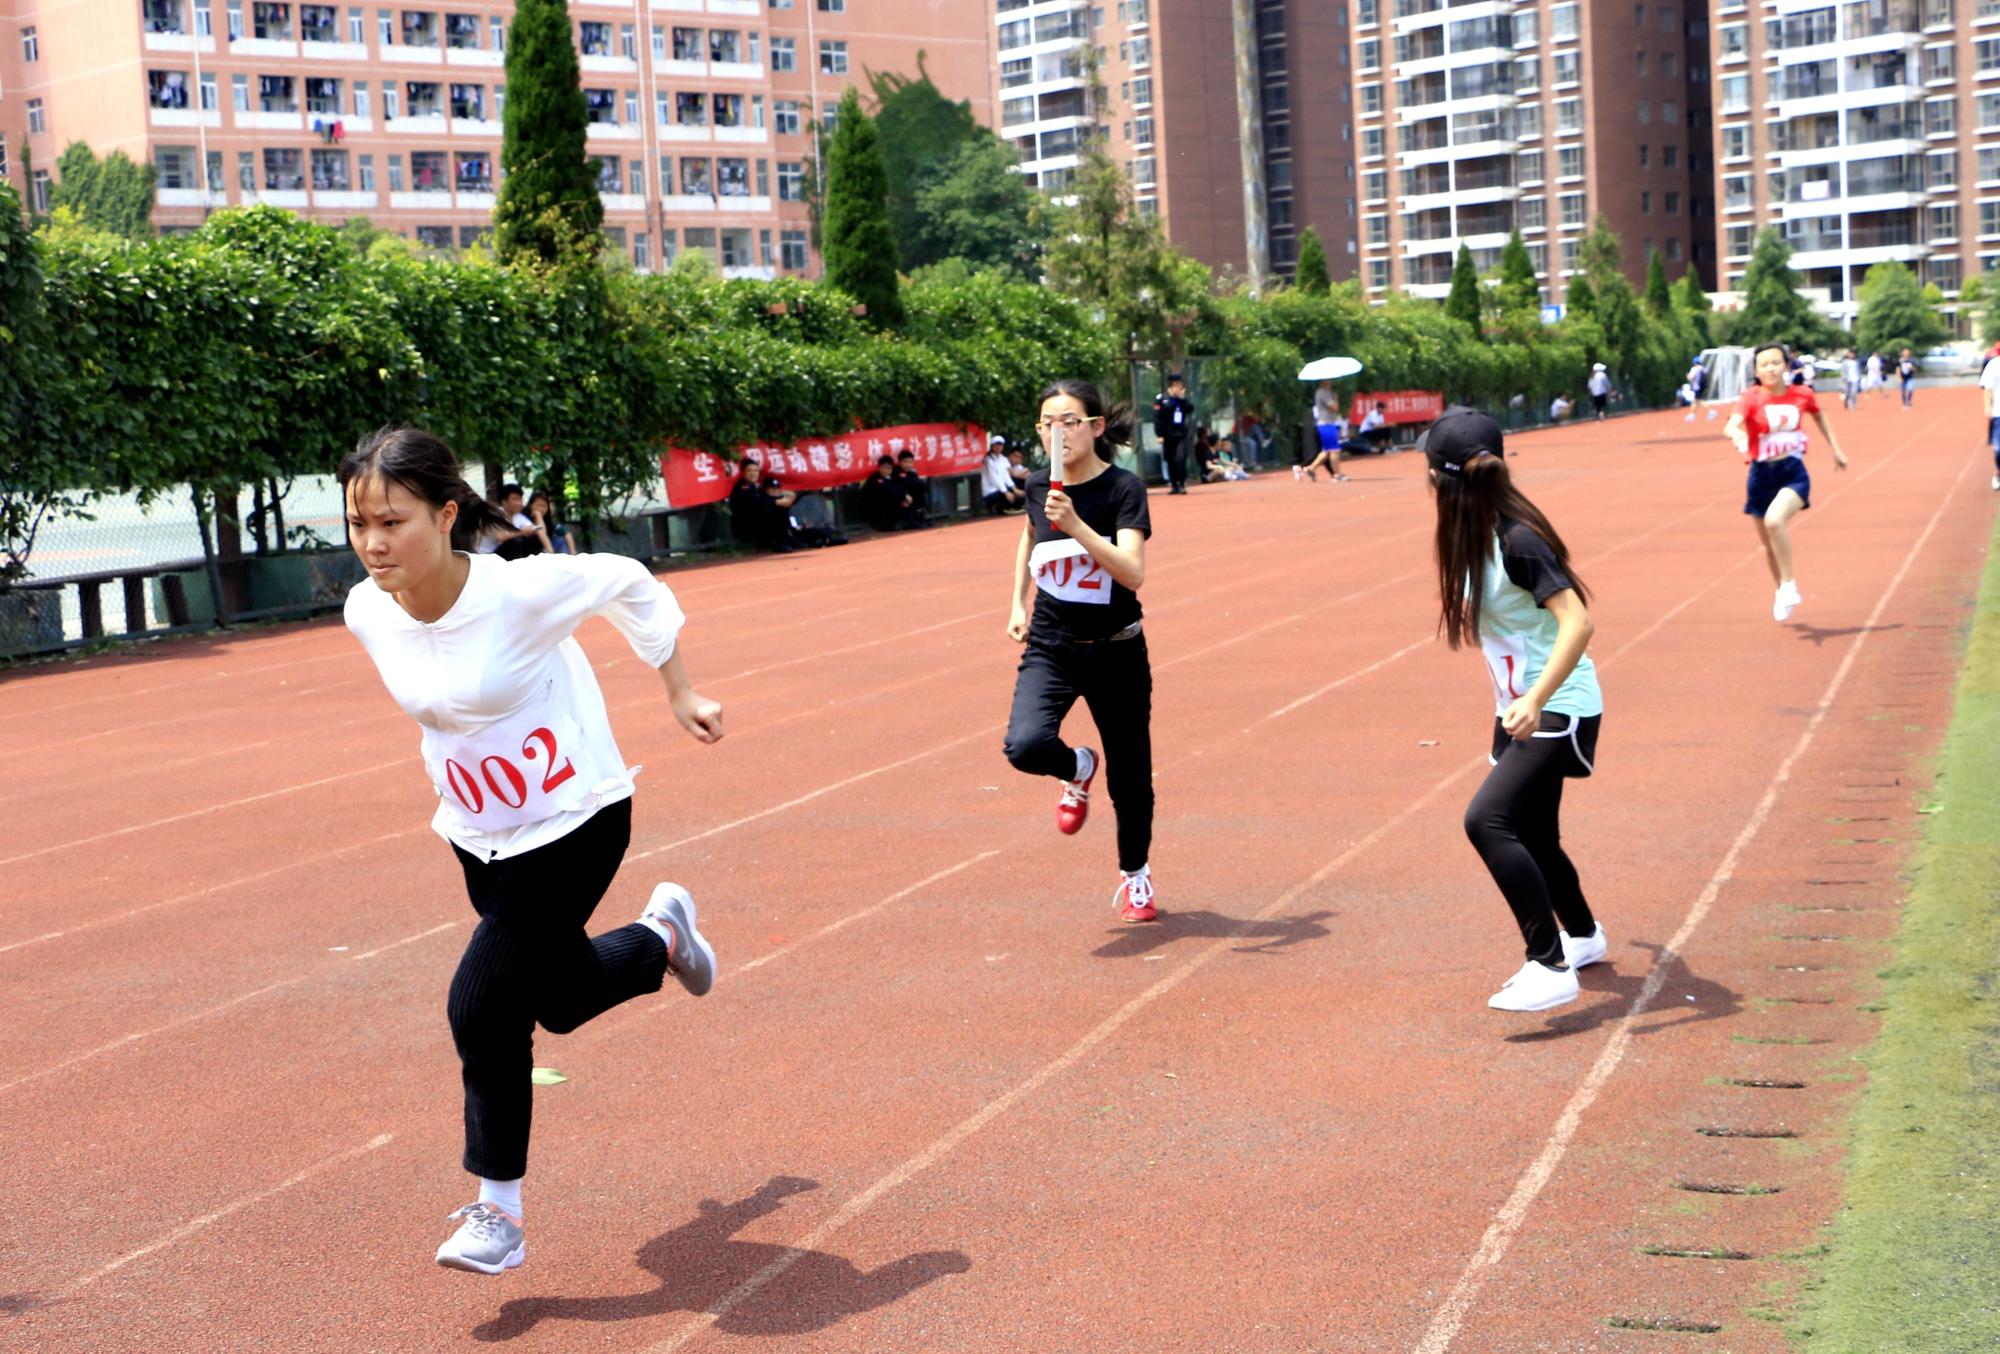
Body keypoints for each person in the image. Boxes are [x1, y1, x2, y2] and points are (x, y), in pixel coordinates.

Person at [338, 426, 722, 1275]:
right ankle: (662, 936)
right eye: (358, 523)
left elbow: (630, 582)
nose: (373, 543)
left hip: (578, 819)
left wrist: (680, 690)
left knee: (481, 1005)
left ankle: (498, 1213)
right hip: (479, 837)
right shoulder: (367, 610)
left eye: (392, 522)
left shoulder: (518, 592)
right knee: (561, 998)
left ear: (445, 516)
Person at [1421, 405, 1605, 1013]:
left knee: (1487, 821)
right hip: (1520, 708)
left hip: (1559, 705)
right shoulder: (1472, 536)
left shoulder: (1516, 540)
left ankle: (1548, 964)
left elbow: (1578, 622)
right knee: (1535, 834)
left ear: (1439, 479)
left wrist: (1535, 698)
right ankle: (1584, 935)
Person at [1004, 379, 1158, 924]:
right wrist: (1017, 602)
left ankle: (1135, 874)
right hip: (1053, 644)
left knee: (1131, 778)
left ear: (1095, 427)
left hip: (1117, 650)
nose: (1058, 433)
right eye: (1048, 424)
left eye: (1069, 422)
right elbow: (1030, 535)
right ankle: (1077, 766)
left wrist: (1075, 524)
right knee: (1025, 746)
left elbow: (1132, 571)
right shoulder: (1036, 484)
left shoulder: (1123, 489)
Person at [1723, 342, 1851, 623]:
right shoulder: (1750, 397)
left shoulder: (1802, 394)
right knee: (1770, 545)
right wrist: (1737, 434)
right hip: (1760, 476)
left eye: (1775, 362)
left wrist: (1836, 449)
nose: (1770, 369)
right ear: (1756, 371)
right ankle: (1782, 589)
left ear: (1786, 365)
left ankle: (1789, 584)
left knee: (1774, 522)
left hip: (1792, 473)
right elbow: (1731, 424)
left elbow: (1819, 415)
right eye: (1764, 365)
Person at [728, 458, 801, 552]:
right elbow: (756, 502)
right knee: (776, 509)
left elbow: (766, 497)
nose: (753, 473)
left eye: (756, 471)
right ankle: (777, 542)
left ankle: (786, 538)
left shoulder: (755, 487)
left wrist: (783, 496)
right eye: (749, 470)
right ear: (743, 473)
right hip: (746, 523)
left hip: (757, 520)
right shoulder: (742, 487)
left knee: (780, 508)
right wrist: (777, 502)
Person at [1297, 379, 1350, 482]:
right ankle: (1337, 474)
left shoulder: (1326, 392)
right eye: (1329, 379)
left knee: (1326, 451)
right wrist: (1336, 398)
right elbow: (1334, 407)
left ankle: (1310, 468)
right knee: (1335, 450)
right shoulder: (1323, 392)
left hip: (1327, 424)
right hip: (1326, 424)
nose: (1331, 381)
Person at [1152, 373, 1192, 495]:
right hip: (1168, 434)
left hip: (1181, 433)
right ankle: (1174, 485)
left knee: (1181, 457)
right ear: (1171, 385)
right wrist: (1159, 434)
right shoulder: (1162, 399)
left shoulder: (1182, 398)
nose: (1179, 387)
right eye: (1176, 384)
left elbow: (1190, 409)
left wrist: (1182, 399)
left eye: (1180, 384)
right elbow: (1158, 417)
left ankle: (1181, 483)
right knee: (1170, 459)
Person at [858, 455, 908, 531]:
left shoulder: (893, 477)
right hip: (874, 507)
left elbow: (900, 488)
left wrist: (905, 496)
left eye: (888, 468)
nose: (886, 470)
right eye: (884, 467)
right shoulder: (874, 477)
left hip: (890, 505)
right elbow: (884, 491)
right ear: (879, 467)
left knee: (905, 499)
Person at [983, 437, 1027, 514]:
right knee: (1006, 496)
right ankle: (998, 508)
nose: (998, 447)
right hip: (991, 492)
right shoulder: (988, 460)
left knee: (1019, 495)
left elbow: (1006, 477)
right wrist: (1006, 492)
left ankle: (1009, 507)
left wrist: (1015, 489)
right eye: (996, 445)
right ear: (992, 446)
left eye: (1000, 445)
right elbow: (994, 479)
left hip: (1003, 489)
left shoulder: (1003, 459)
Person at [893, 449, 932, 527]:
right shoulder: (895, 472)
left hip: (911, 500)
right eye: (905, 462)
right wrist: (905, 495)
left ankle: (919, 517)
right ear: (900, 462)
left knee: (919, 490)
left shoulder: (912, 473)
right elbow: (895, 486)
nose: (908, 464)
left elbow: (922, 486)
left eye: (910, 462)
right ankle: (907, 522)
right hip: (900, 499)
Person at [1979, 346, 2000, 492]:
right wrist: (1987, 407)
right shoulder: (1994, 364)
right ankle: (1998, 472)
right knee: (1998, 449)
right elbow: (1987, 388)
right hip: (1998, 412)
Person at [526, 490, 571, 554]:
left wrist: (573, 551)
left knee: (559, 540)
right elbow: (542, 532)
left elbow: (565, 532)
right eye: (539, 505)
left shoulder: (547, 520)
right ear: (530, 505)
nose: (541, 509)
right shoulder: (524, 519)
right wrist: (538, 516)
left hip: (545, 549)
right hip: (530, 551)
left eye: (544, 506)